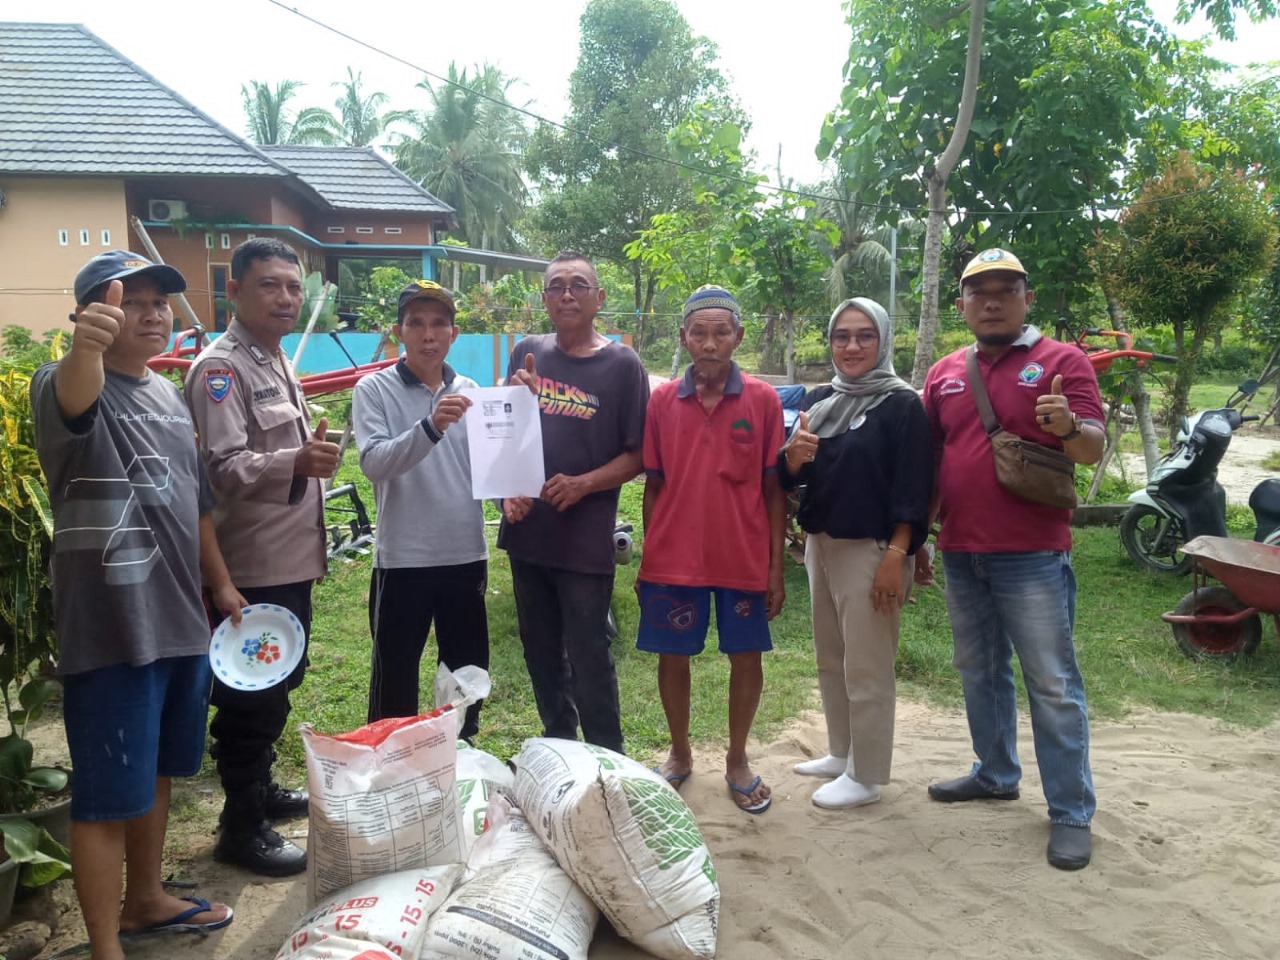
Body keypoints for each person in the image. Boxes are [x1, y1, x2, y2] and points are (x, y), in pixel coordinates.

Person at [32, 251, 240, 960]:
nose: (152, 313)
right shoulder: (62, 386)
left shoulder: (166, 395)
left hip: (180, 618)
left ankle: (147, 899)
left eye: (160, 303)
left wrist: (221, 585)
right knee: (102, 793)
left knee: (155, 769)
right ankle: (103, 946)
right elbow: (75, 391)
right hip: (112, 625)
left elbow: (198, 506)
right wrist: (84, 347)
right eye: (132, 301)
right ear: (91, 314)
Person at [919, 248, 1105, 870]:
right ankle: (996, 773)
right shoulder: (946, 371)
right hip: (961, 550)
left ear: (1028, 297)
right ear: (963, 304)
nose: (992, 301)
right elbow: (935, 461)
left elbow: (1091, 450)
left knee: (1051, 683)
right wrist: (919, 535)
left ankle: (1072, 812)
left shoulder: (1062, 362)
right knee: (979, 672)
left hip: (1032, 554)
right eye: (979, 292)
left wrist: (1069, 425)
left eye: (1005, 289)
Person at [186, 237, 338, 876]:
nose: (285, 297)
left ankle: (261, 792)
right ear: (235, 293)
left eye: (293, 287)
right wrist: (294, 460)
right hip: (249, 569)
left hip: (288, 558)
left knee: (278, 683)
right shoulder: (221, 370)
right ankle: (239, 826)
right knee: (250, 697)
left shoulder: (274, 360)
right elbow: (219, 468)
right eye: (270, 285)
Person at [636, 285, 786, 814]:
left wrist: (775, 569)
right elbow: (653, 484)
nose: (710, 342)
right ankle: (679, 753)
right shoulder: (660, 401)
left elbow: (773, 490)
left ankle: (738, 760)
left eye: (721, 332)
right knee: (672, 656)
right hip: (673, 557)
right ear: (683, 337)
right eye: (698, 332)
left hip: (741, 558)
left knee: (745, 656)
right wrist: (648, 553)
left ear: (738, 337)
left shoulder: (764, 401)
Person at [779, 297, 932, 809]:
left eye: (865, 335)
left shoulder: (902, 405)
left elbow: (914, 487)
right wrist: (792, 462)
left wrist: (898, 554)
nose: (851, 346)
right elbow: (796, 476)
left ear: (884, 341)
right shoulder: (823, 402)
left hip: (872, 550)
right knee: (832, 657)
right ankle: (842, 752)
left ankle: (867, 775)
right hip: (822, 546)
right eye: (841, 335)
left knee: (867, 665)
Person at [500, 251, 650, 755]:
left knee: (588, 654)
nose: (567, 293)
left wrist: (584, 484)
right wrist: (507, 493)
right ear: (544, 298)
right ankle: (559, 749)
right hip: (528, 535)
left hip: (585, 540)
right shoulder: (527, 352)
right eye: (557, 285)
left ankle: (609, 760)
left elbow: (639, 454)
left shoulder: (623, 364)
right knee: (540, 652)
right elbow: (504, 437)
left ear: (599, 298)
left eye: (579, 285)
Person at [351, 279, 488, 737]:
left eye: (438, 324)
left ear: (454, 334)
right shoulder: (373, 390)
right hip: (403, 558)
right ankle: (392, 771)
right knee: (396, 678)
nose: (428, 334)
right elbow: (373, 463)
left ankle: (462, 761)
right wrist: (430, 427)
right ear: (398, 331)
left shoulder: (471, 390)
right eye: (416, 323)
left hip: (466, 554)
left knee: (467, 676)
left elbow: (492, 467)